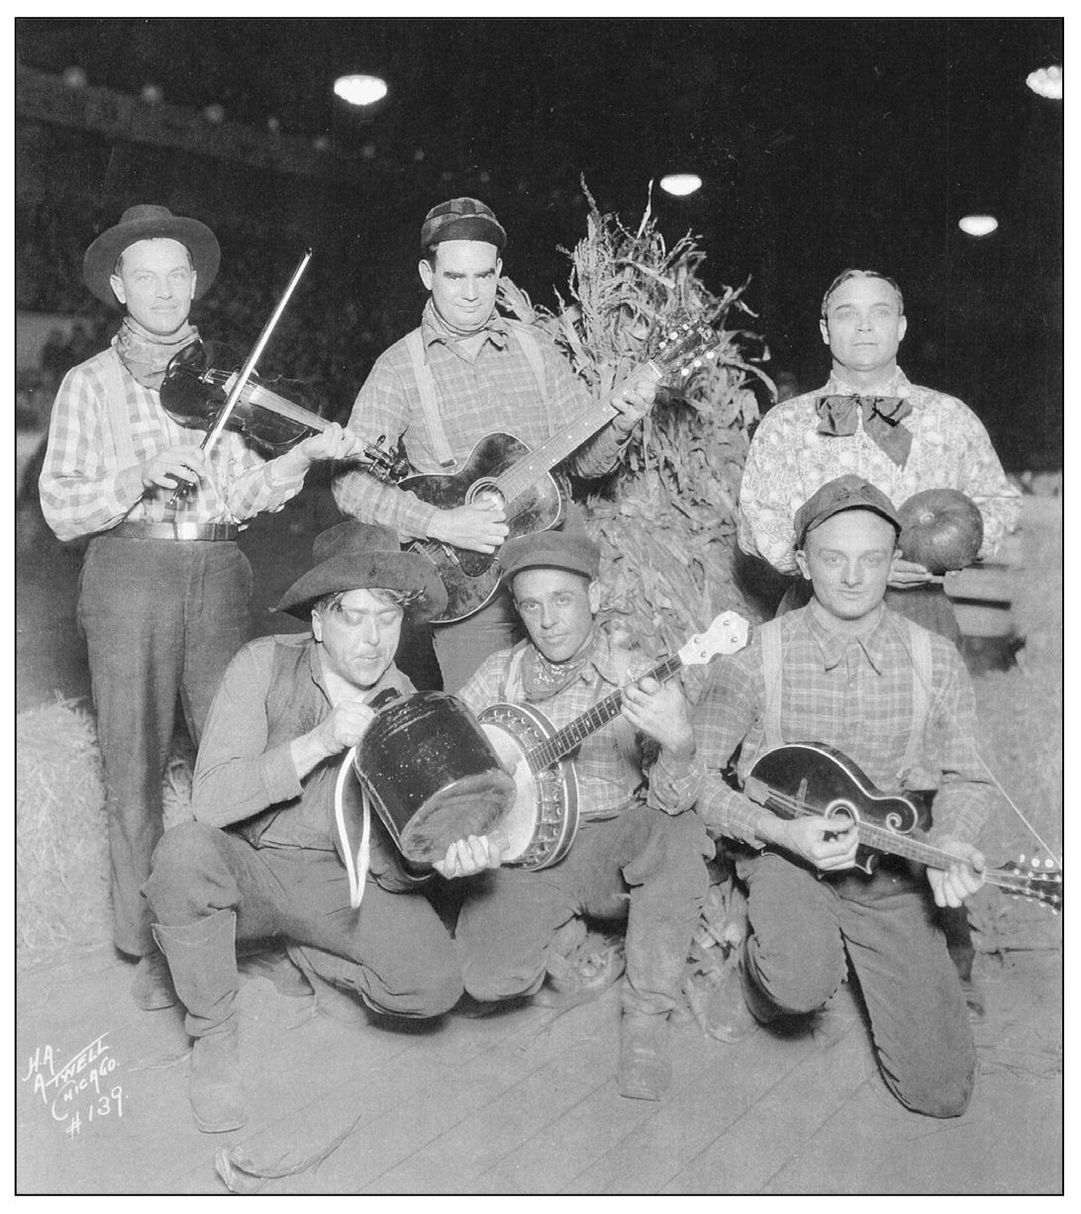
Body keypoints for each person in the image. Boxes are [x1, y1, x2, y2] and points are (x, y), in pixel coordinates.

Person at [37, 204, 366, 1011]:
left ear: (194, 285)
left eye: (174, 275)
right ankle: (149, 944)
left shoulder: (224, 383)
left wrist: (300, 457)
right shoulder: (89, 384)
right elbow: (60, 507)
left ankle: (243, 924)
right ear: (119, 287)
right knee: (133, 763)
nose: (160, 290)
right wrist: (137, 477)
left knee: (236, 756)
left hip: (218, 567)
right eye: (141, 276)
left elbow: (244, 495)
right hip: (128, 571)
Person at [143, 521, 501, 1133]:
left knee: (434, 987)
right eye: (352, 618)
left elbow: (393, 858)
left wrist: (435, 859)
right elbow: (210, 801)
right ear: (315, 622)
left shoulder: (405, 697)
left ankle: (306, 955)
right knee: (182, 853)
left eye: (387, 619)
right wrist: (315, 743)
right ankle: (213, 1036)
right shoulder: (262, 665)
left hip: (339, 886)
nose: (372, 640)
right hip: (250, 868)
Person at [695, 476, 995, 1118]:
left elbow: (970, 778)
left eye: (873, 559)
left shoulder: (935, 659)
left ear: (899, 561)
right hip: (785, 858)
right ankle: (758, 978)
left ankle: (871, 960)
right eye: (833, 558)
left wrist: (951, 839)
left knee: (941, 1094)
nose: (854, 577)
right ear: (802, 562)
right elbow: (696, 778)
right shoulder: (754, 657)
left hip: (888, 871)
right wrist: (777, 834)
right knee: (801, 981)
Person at [333, 197, 657, 692]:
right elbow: (350, 485)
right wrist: (441, 522)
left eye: (483, 277)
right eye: (454, 277)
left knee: (582, 717)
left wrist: (620, 424)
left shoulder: (537, 349)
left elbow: (586, 464)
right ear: (427, 274)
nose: (470, 293)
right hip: (466, 589)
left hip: (556, 571)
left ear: (499, 273)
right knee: (489, 730)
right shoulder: (399, 368)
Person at [451, 530, 712, 1102]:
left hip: (607, 848)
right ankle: (573, 937)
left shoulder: (632, 675)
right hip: (524, 860)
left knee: (678, 833)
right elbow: (449, 754)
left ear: (594, 597)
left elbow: (674, 799)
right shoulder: (501, 672)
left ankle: (646, 1013)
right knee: (485, 978)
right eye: (531, 604)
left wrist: (680, 743)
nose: (547, 620)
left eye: (563, 599)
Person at [738, 268, 1021, 645]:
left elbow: (997, 505)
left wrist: (947, 553)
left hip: (919, 617)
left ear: (901, 327)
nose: (864, 326)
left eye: (880, 312)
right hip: (810, 618)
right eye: (846, 313)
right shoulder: (785, 423)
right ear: (825, 330)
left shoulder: (949, 418)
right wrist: (853, 567)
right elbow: (757, 522)